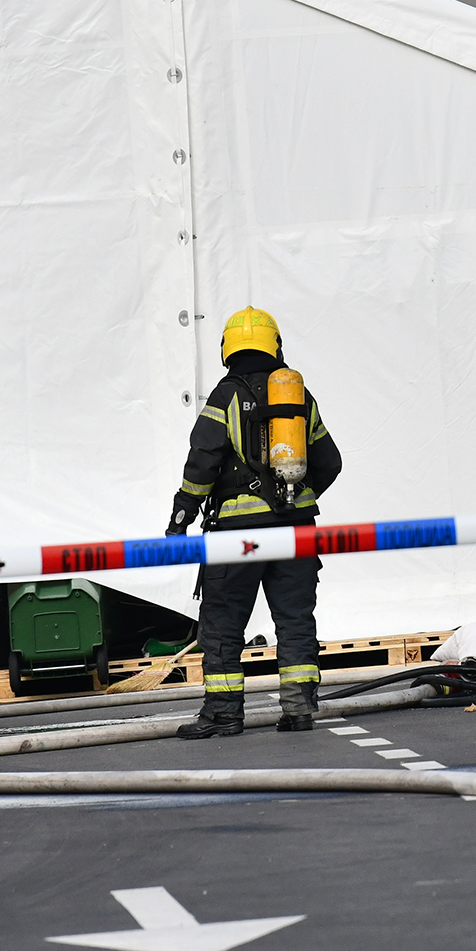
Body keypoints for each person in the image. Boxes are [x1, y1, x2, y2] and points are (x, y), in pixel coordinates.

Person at [167, 306, 342, 738]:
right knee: (295, 618)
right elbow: (330, 462)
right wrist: (299, 498)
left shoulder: (225, 396)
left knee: (223, 621)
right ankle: (299, 709)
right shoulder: (298, 396)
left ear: (228, 347)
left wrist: (181, 517)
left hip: (238, 536)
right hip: (296, 530)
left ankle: (223, 713)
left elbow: (202, 461)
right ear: (275, 345)